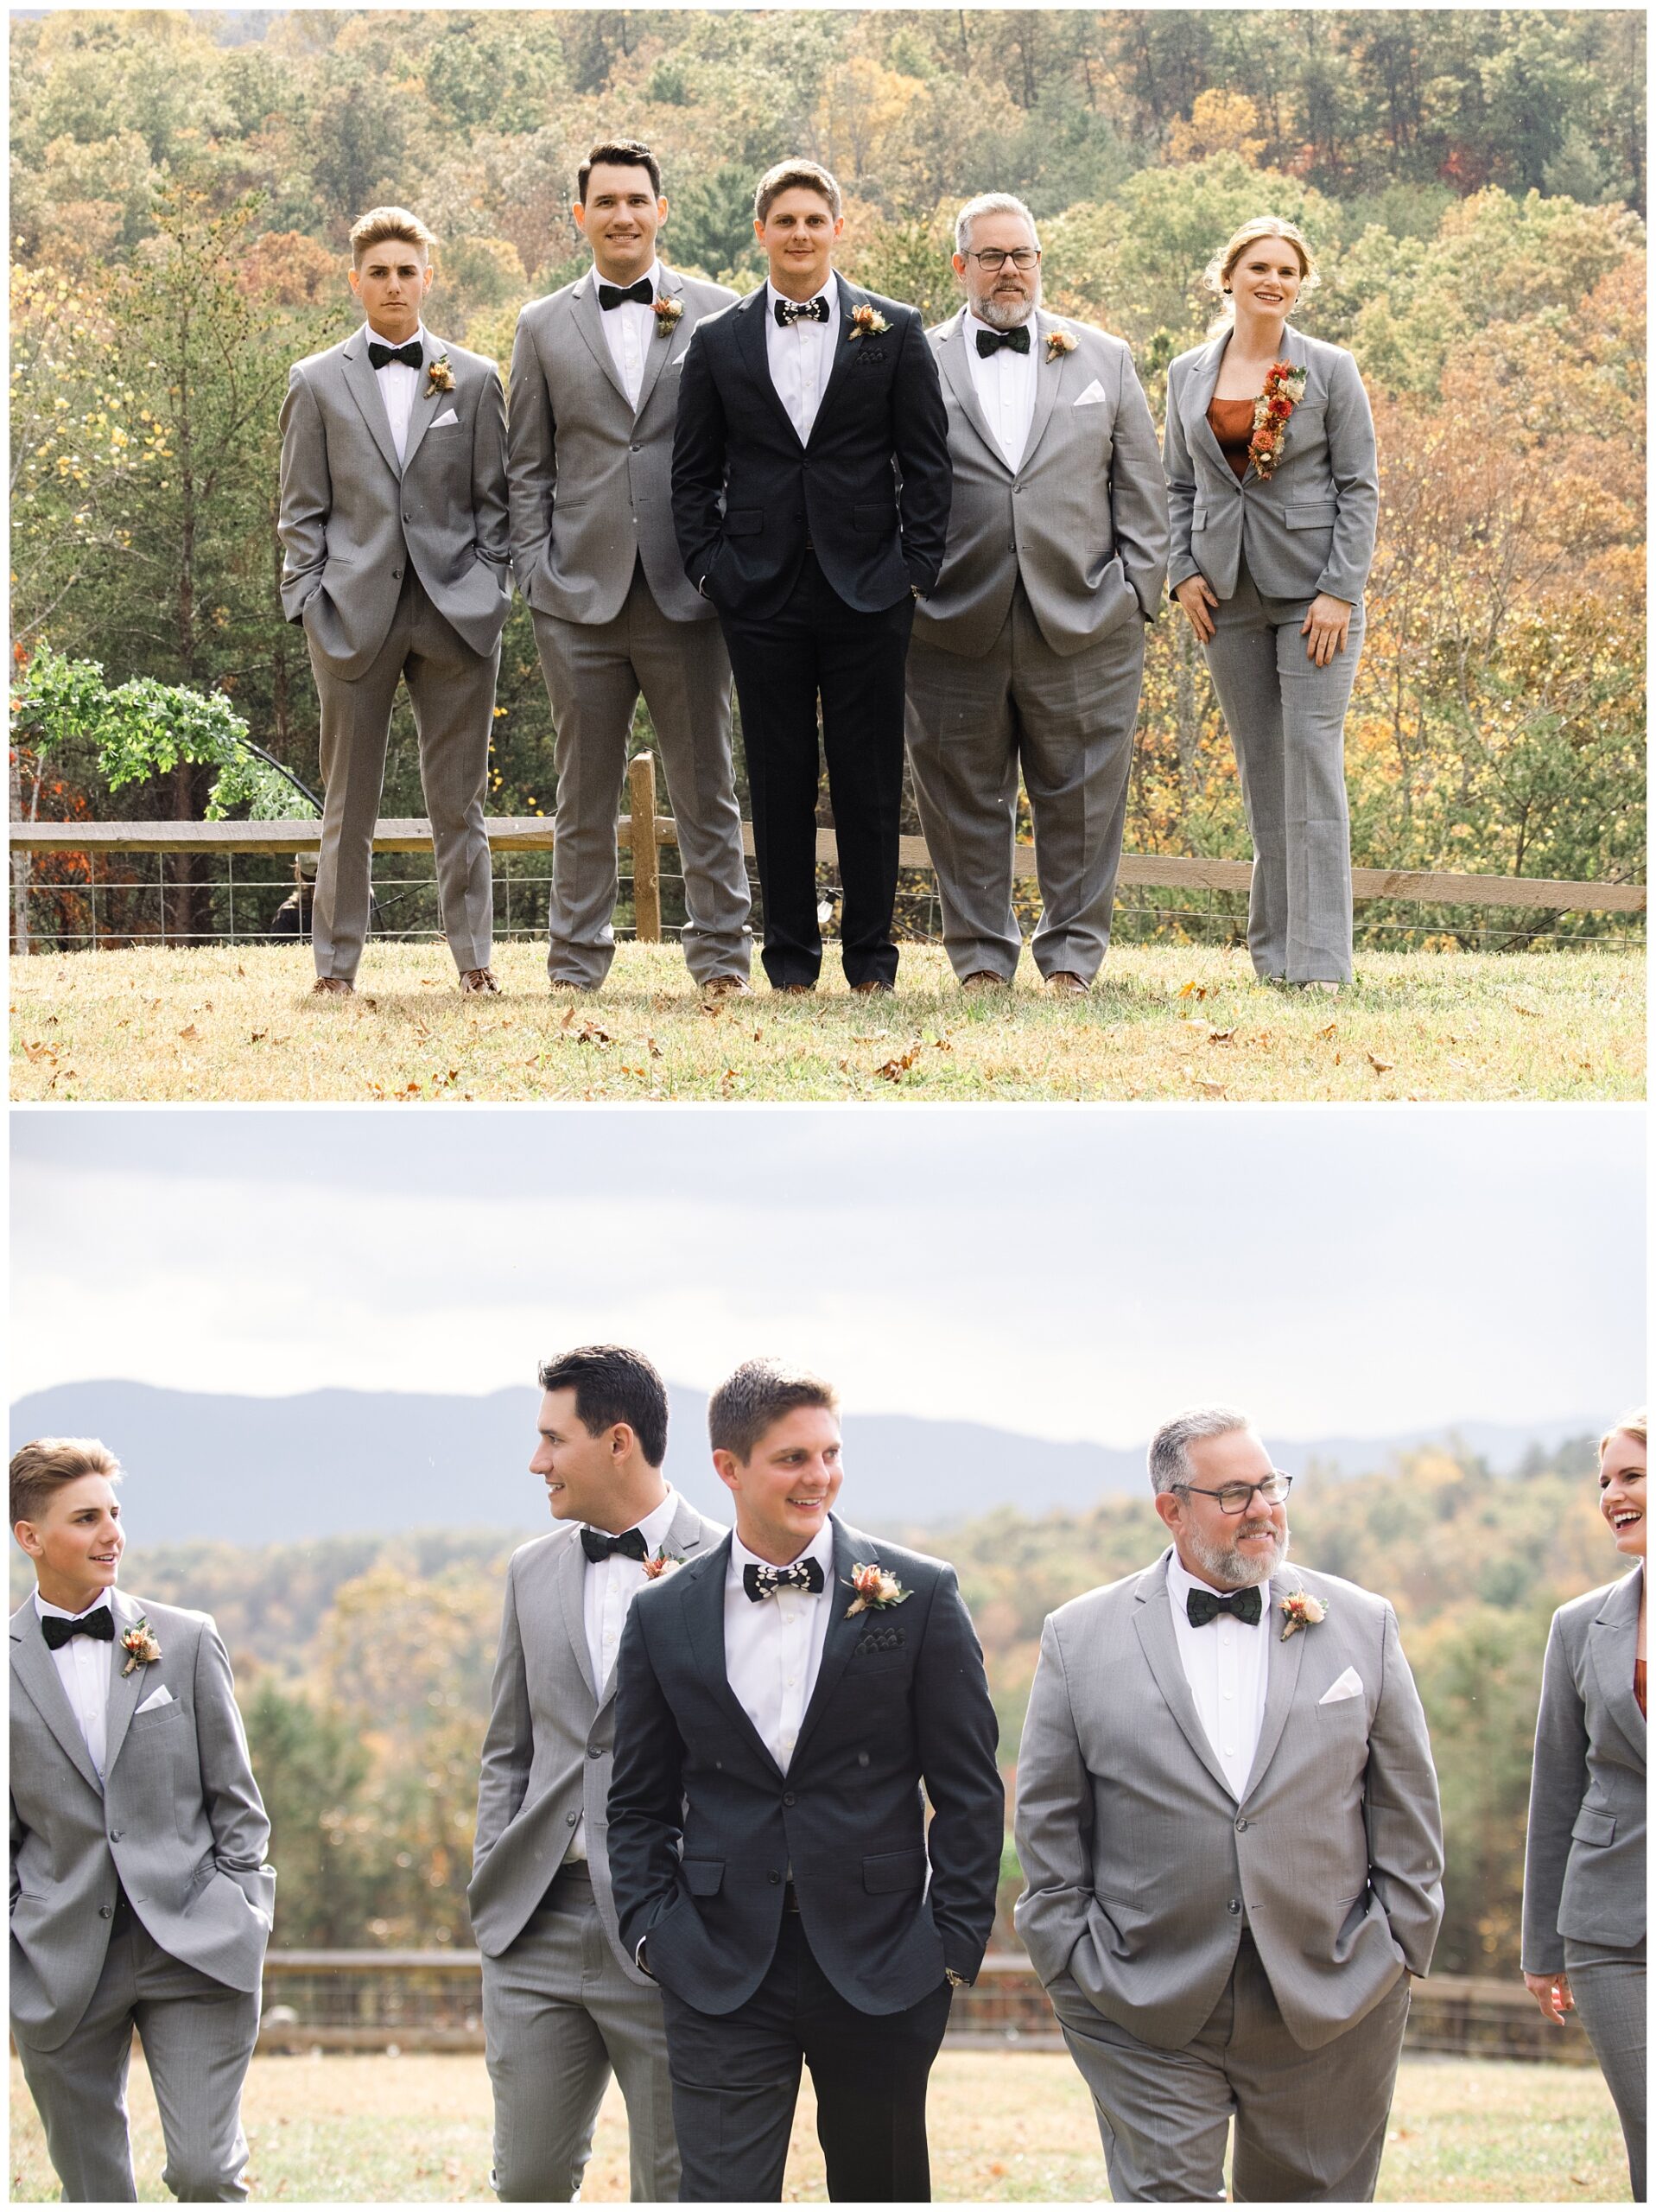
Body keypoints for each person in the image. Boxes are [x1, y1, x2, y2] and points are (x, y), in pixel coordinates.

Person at [1014, 1405, 1443, 2203]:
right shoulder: (1077, 1638)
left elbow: (1406, 1809)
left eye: (1271, 1485)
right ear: (1171, 1509)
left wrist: (1397, 1947)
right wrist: (1069, 1958)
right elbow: (1047, 1823)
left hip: (1333, 1990)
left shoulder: (1362, 1624)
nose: (1264, 1509)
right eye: (1235, 1493)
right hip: (1142, 1997)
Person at [607, 1358, 1003, 2201]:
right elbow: (638, 1800)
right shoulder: (662, 1615)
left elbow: (969, 1787)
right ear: (729, 1467)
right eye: (793, 1458)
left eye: (829, 1453)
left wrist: (952, 1945)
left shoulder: (920, 1595)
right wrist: (653, 1932)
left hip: (885, 1962)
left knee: (882, 2190)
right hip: (717, 1965)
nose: (818, 1476)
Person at [671, 160, 952, 995]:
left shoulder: (892, 330)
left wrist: (915, 568)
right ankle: (789, 962)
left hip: (871, 586)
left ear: (837, 228)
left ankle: (872, 962)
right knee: (778, 777)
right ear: (760, 233)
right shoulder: (717, 339)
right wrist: (710, 568)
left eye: (813, 220)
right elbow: (692, 474)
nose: (799, 234)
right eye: (783, 221)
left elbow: (927, 463)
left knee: (868, 781)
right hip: (758, 591)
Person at [470, 1346, 726, 2202]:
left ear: (619, 1441)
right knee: (528, 2181)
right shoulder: (529, 1570)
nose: (536, 1461)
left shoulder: (732, 1571)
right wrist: (489, 1871)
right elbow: (508, 1745)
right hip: (532, 1922)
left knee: (677, 2183)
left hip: (670, 1926)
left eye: (553, 1439)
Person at [508, 140, 753, 1001]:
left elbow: (743, 454)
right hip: (576, 598)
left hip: (690, 594)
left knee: (705, 788)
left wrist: (729, 563)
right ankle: (576, 965)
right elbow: (528, 464)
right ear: (581, 215)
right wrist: (535, 573)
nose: (622, 215)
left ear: (661, 210)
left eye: (636, 200)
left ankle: (722, 957)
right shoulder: (541, 326)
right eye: (604, 201)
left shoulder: (722, 313)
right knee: (583, 794)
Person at [906, 193, 1168, 998]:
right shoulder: (913, 360)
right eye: (991, 256)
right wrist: (905, 600)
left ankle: (1071, 959)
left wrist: (1136, 597)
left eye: (1022, 255)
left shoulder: (1104, 358)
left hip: (1087, 619)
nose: (1009, 270)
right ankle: (981, 957)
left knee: (1084, 800)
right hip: (948, 621)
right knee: (960, 799)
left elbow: (1143, 494)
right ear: (960, 267)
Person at [10, 1439, 275, 2203]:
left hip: (194, 1943)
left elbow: (236, 1801)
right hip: (58, 1957)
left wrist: (242, 1907)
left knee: (204, 2172)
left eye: (115, 1514)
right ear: (30, 1537)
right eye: (86, 1518)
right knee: (93, 2190)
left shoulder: (185, 1638)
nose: (111, 1534)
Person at [278, 205, 512, 997]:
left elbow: (496, 506)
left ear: (428, 279)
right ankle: (336, 968)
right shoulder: (314, 382)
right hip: (351, 615)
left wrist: (490, 588)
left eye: (406, 270)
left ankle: (474, 962)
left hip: (457, 615)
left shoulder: (475, 380)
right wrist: (308, 599)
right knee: (349, 805)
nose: (393, 284)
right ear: (355, 281)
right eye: (377, 271)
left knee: (461, 801)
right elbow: (300, 510)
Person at [1164, 218, 1379, 991]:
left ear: (1299, 285)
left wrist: (1338, 592)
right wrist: (1181, 571)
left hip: (1312, 598)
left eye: (1287, 272)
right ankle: (1274, 956)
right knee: (1262, 771)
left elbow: (1359, 489)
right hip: (1224, 598)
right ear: (1228, 277)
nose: (1273, 281)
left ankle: (1320, 961)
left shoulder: (1328, 369)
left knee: (1310, 763)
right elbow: (1175, 486)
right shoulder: (1185, 372)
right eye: (1259, 267)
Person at [1522, 1409, 1646, 2202]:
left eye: (1631, 1475)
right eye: (1604, 1480)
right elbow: (1556, 1788)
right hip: (1611, 1929)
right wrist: (1541, 1947)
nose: (1610, 1494)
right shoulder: (1578, 1627)